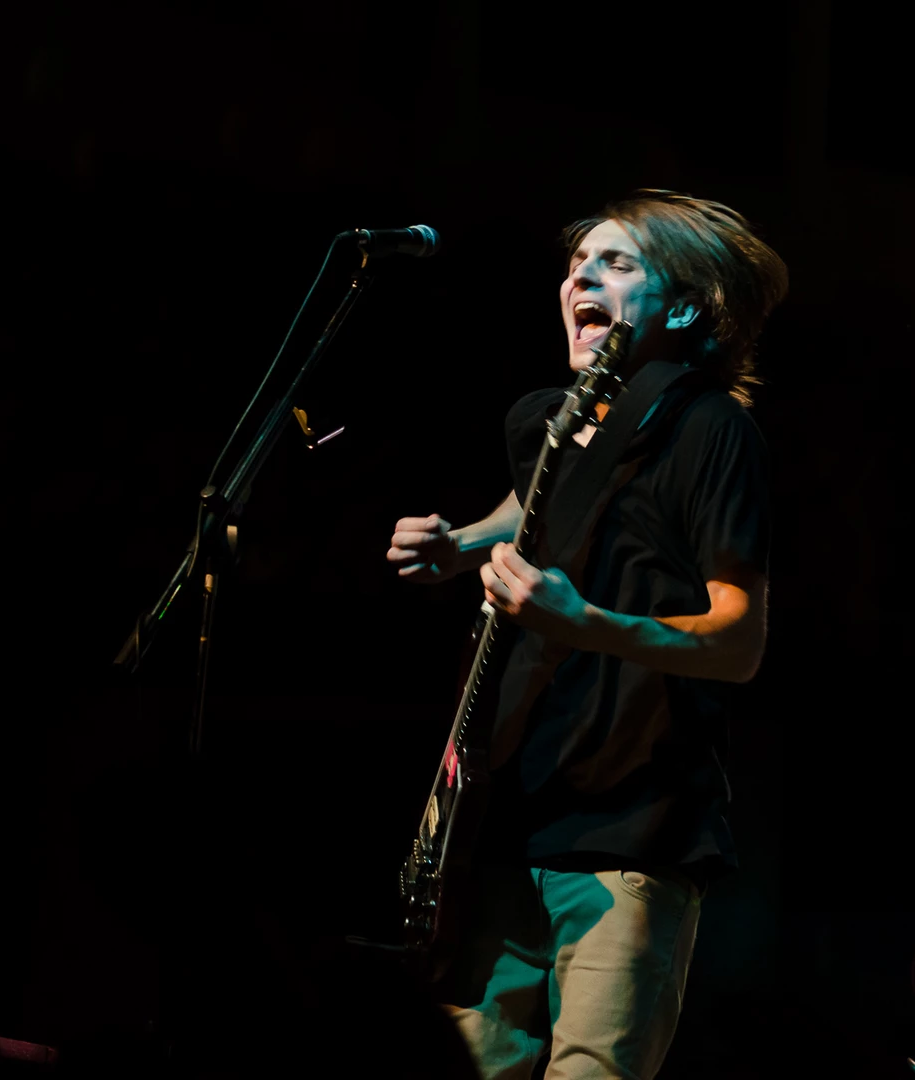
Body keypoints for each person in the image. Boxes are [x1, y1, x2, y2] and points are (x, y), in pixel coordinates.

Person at [385, 190, 788, 1080]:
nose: (580, 279)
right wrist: (459, 546)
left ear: (685, 308)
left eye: (616, 264)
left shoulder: (711, 430)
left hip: (630, 828)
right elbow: (534, 505)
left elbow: (739, 642)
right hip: (505, 823)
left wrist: (585, 623)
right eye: (575, 266)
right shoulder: (547, 422)